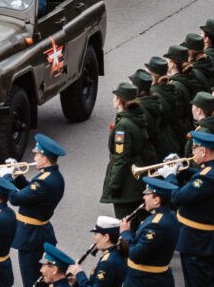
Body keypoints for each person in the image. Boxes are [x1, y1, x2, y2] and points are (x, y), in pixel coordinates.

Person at [172, 131, 214, 287]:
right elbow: (201, 175)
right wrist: (182, 169)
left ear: (203, 151)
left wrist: (170, 176)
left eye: (194, 148)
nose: (192, 152)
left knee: (196, 282)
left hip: (197, 241)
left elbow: (177, 197)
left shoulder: (207, 178)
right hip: (208, 239)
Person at [8, 135, 67, 287]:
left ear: (45, 158)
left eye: (37, 155)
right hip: (39, 231)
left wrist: (6, 178)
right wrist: (17, 176)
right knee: (41, 278)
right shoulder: (53, 176)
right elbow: (31, 192)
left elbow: (15, 199)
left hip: (31, 235)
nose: (34, 158)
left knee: (31, 280)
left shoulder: (43, 181)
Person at [101, 81, 149, 221]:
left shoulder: (122, 126)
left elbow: (121, 158)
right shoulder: (136, 117)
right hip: (136, 179)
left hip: (127, 183)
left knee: (125, 223)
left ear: (119, 100)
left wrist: (114, 185)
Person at [119, 177, 179, 287]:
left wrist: (125, 233)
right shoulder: (167, 215)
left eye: (147, 195)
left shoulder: (157, 225)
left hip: (145, 280)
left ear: (156, 200)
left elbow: (136, 255)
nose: (143, 197)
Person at [66, 217, 124, 287]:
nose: (93, 237)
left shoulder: (107, 262)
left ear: (106, 237)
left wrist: (80, 274)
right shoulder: (112, 255)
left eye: (96, 234)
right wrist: (77, 282)